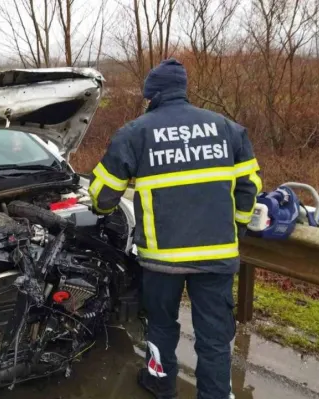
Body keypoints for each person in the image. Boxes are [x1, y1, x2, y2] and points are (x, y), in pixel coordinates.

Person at [87, 58, 261, 399]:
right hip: (216, 255)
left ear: (151, 95)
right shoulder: (228, 128)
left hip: (161, 258)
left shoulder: (135, 132)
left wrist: (101, 210)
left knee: (162, 325)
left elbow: (103, 193)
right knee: (214, 336)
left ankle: (160, 383)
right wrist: (237, 227)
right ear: (182, 90)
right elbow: (249, 186)